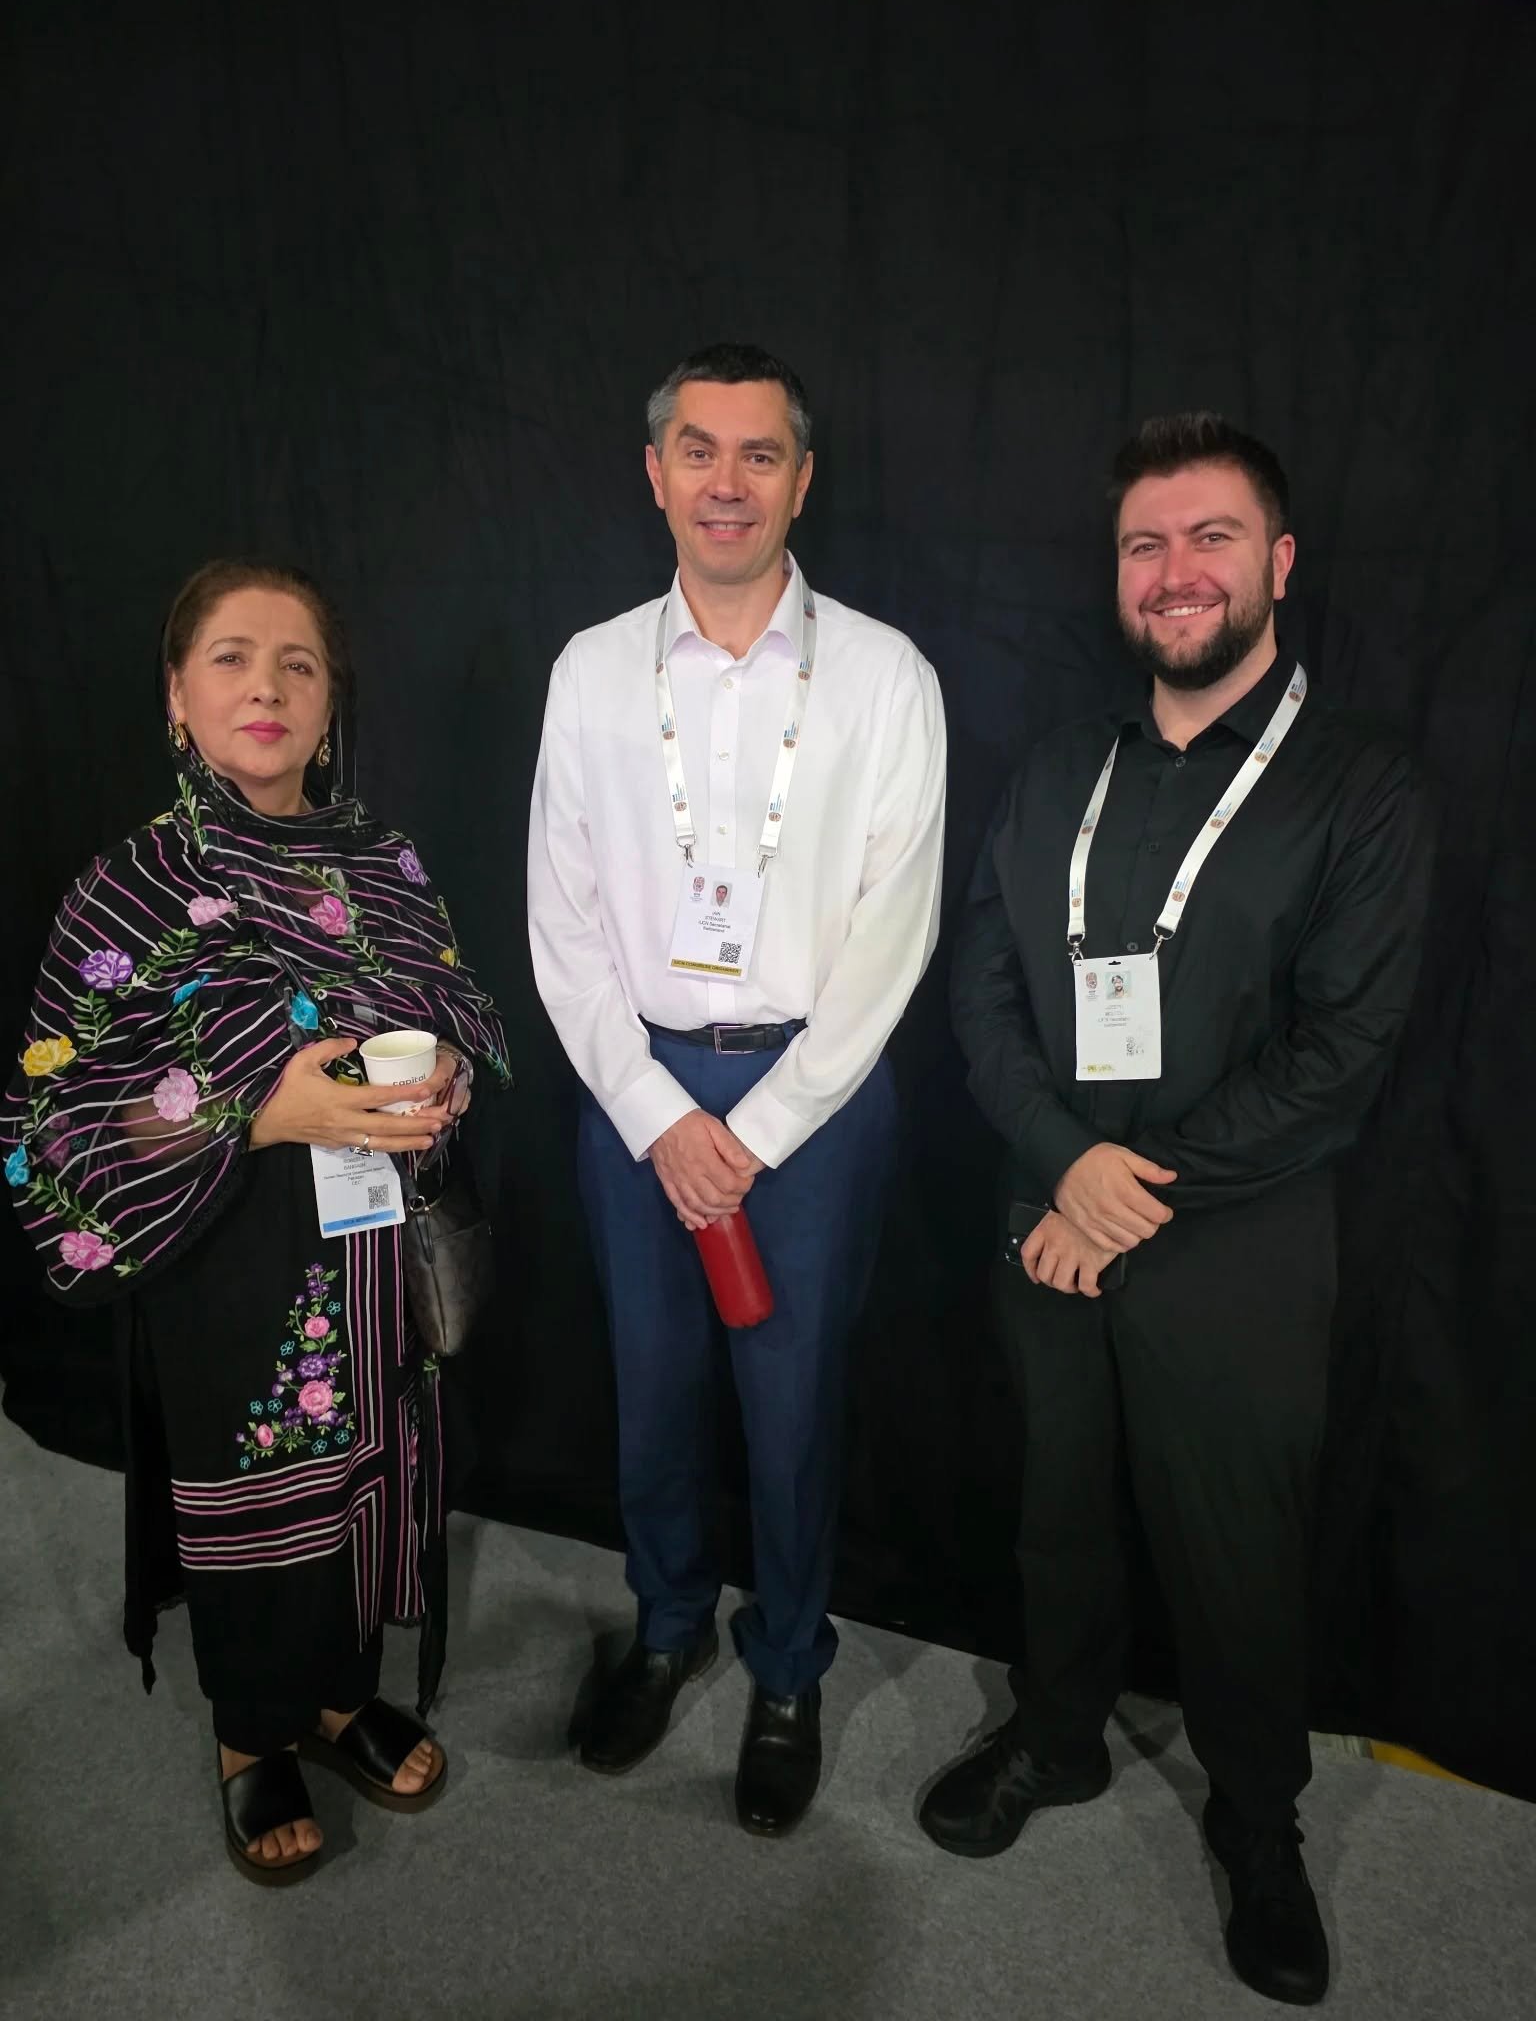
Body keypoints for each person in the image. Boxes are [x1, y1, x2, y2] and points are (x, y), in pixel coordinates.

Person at [920, 414, 1433, 2005]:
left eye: (1211, 538)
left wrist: (1122, 1194)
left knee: (1238, 1552)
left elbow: (1339, 1058)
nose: (1175, 571)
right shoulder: (1059, 766)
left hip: (1237, 1242)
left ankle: (1259, 1818)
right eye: (1146, 545)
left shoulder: (1361, 786)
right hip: (1047, 1210)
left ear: (1278, 562)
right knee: (1056, 1509)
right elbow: (982, 982)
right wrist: (1059, 1161)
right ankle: (1059, 1736)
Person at [2, 561, 508, 1885]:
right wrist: (256, 1112)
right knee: (264, 1490)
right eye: (231, 658)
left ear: (330, 706)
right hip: (230, 1262)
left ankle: (338, 1698)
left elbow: (453, 1002)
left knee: (366, 1470)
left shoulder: (381, 862)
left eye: (298, 663)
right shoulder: (132, 887)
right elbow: (61, 1117)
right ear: (178, 697)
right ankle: (250, 1730)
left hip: (377, 1249)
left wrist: (445, 1073)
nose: (267, 686)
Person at [528, 342, 946, 1835]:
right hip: (636, 1089)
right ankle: (664, 1628)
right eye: (697, 451)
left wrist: (755, 1131)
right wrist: (659, 1118)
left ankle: (787, 1666)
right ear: (655, 475)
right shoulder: (591, 671)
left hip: (813, 1103)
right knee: (651, 1394)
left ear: (802, 480)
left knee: (794, 1407)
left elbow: (894, 933)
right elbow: (563, 922)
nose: (727, 482)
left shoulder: (885, 676)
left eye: (758, 454)